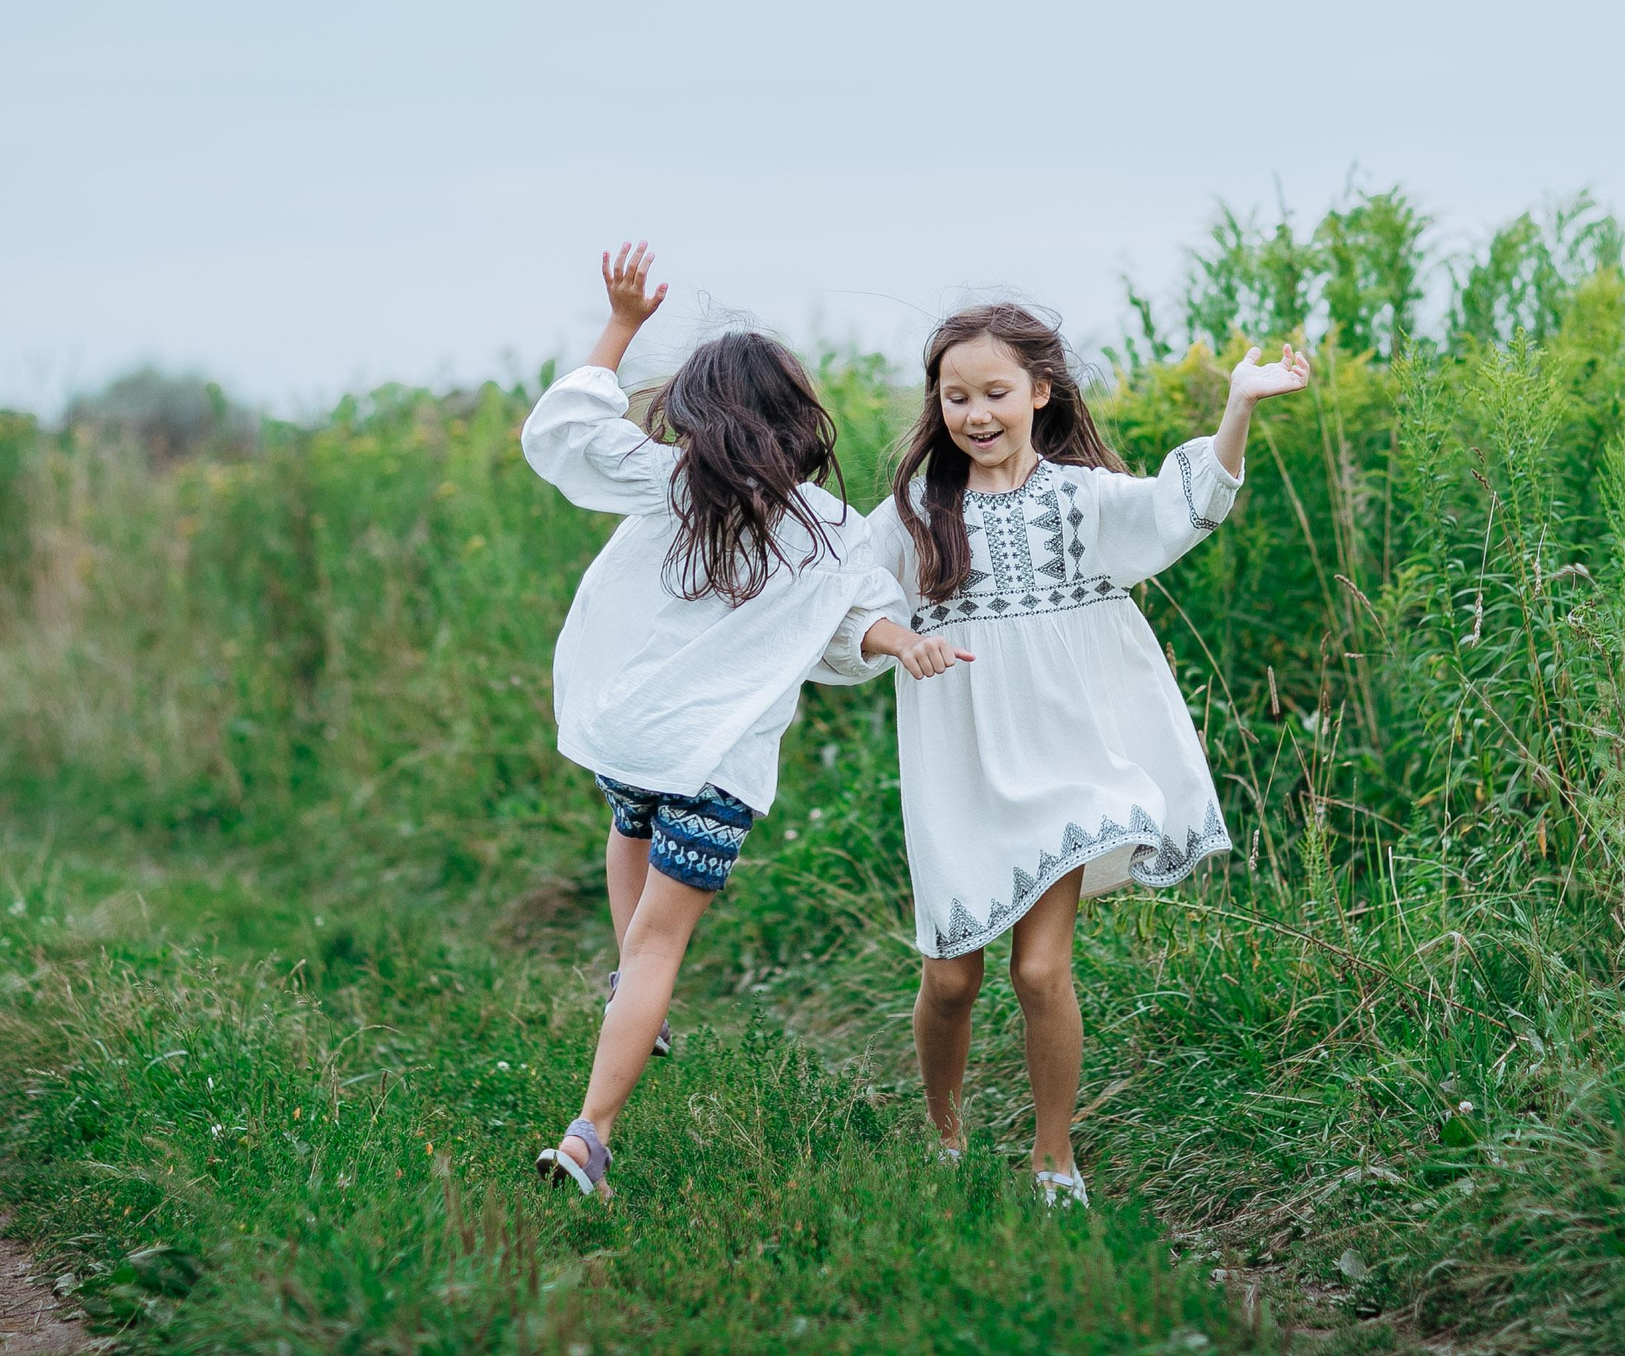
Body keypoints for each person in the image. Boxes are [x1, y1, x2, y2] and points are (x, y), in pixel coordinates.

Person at [522, 243, 968, 1197]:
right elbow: (863, 619)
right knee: (659, 945)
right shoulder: (829, 530)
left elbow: (563, 433)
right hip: (716, 765)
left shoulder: (671, 484)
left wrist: (621, 326)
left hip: (635, 737)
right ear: (799, 420)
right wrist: (905, 645)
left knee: (627, 823)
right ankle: (590, 1128)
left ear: (697, 414)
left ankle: (621, 1025)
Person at [865, 303, 1308, 1204]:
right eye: (956, 397)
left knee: (1039, 968)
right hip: (962, 765)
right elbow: (850, 604)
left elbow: (1181, 505)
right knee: (952, 977)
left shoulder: (1081, 499)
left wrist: (1240, 406)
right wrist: (893, 641)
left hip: (1070, 761)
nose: (976, 413)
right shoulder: (916, 514)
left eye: (995, 392)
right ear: (937, 405)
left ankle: (1054, 1157)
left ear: (1040, 391)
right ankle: (943, 1137)